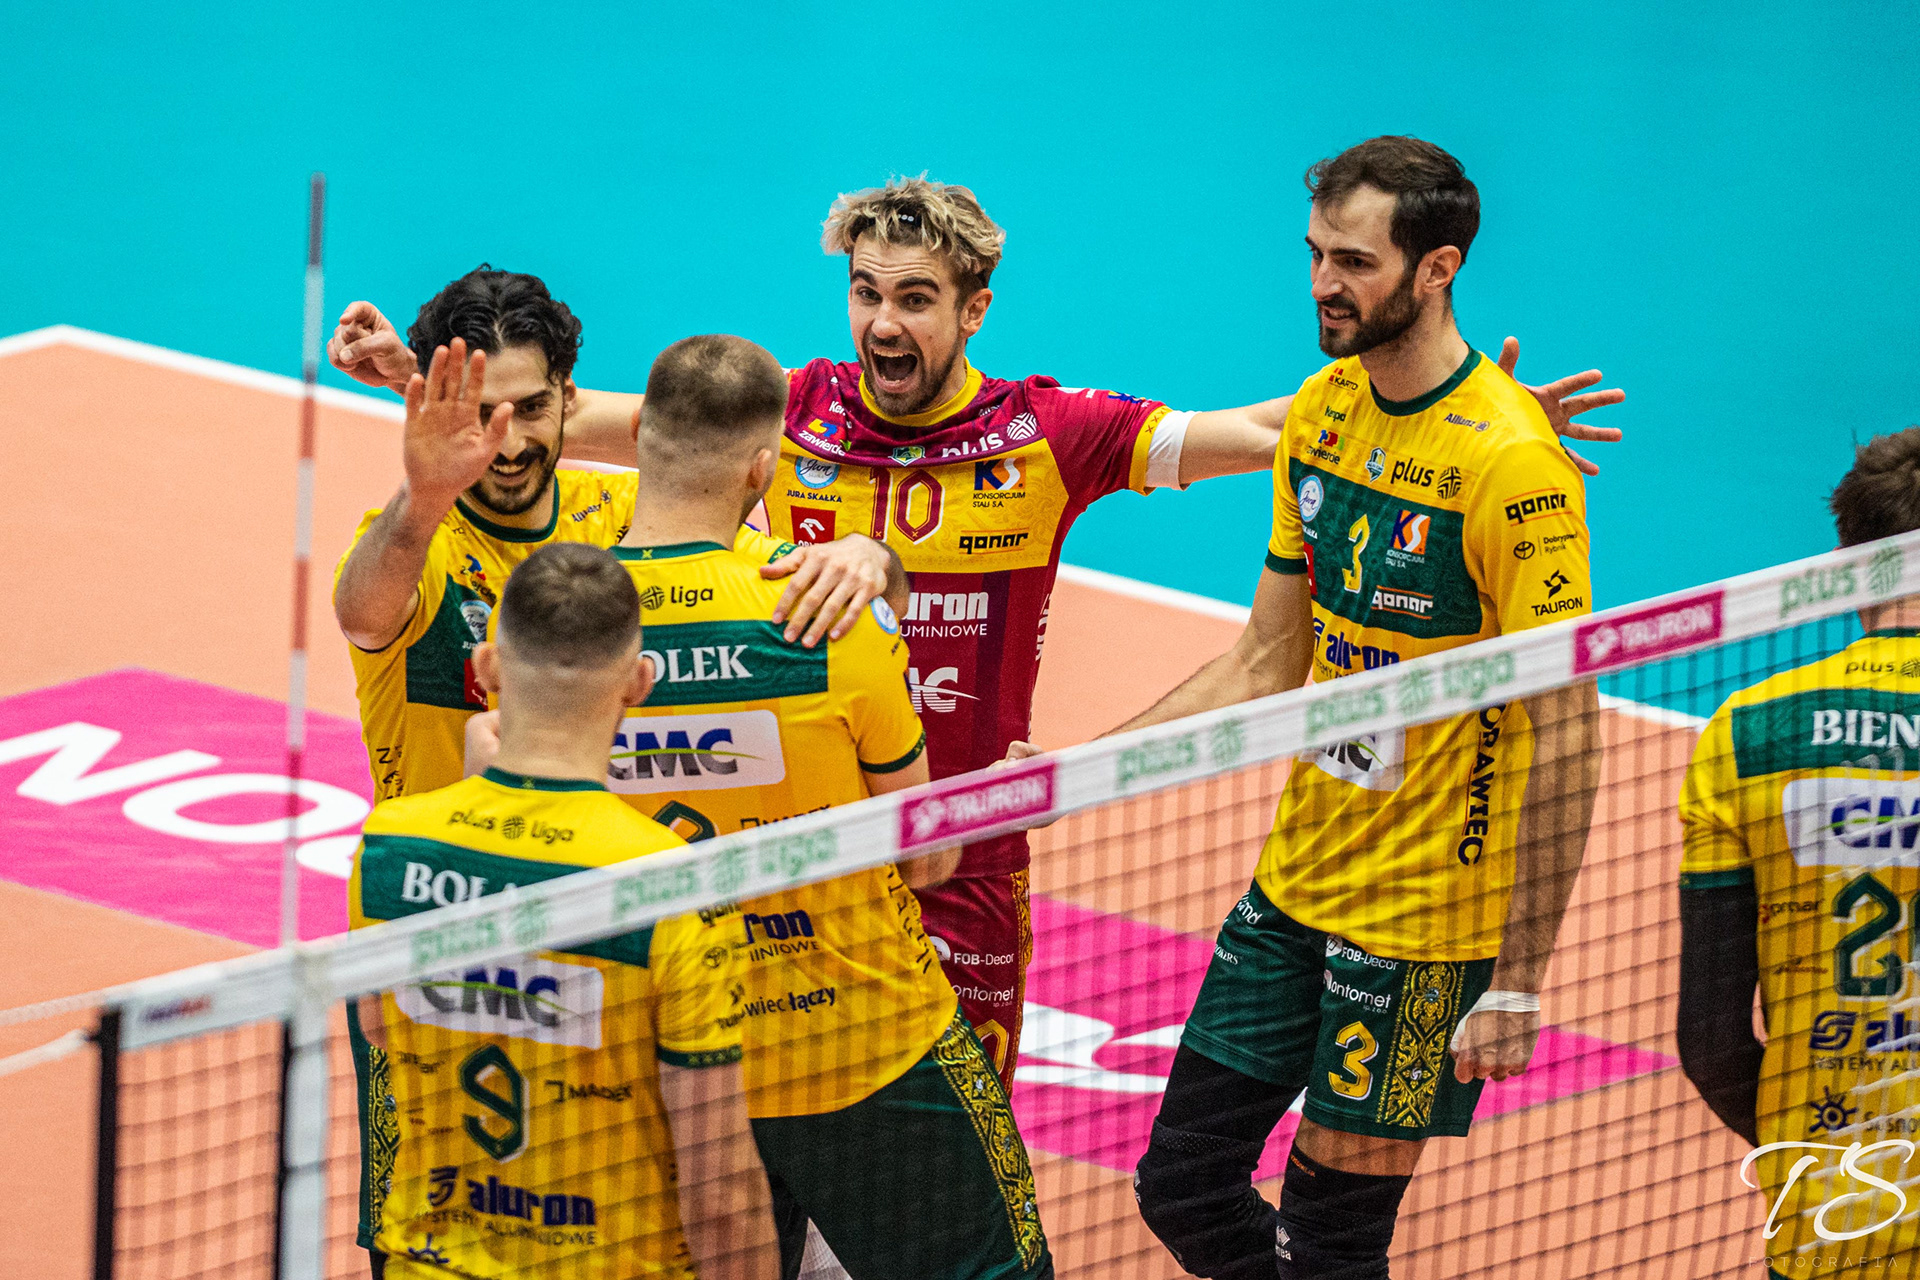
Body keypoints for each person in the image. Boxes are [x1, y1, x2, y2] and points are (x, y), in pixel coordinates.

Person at [331, 180, 1623, 1090]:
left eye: (915, 297)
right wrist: (411, 378)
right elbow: (568, 416)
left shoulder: (1051, 435)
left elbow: (1270, 426)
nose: (883, 323)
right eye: (865, 293)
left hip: (967, 853)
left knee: (948, 1162)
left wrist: (1465, 412)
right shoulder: (791, 412)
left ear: (975, 308)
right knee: (751, 1153)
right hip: (799, 863)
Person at [1057, 136, 1602, 1280]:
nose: (1322, 283)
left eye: (1354, 261)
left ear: (1437, 268)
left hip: (1425, 922)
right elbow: (1269, 657)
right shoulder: (1322, 411)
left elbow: (1565, 734)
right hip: (1295, 886)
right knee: (1183, 1184)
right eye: (1315, 254)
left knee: (1332, 1240)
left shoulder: (1513, 466)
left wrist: (1518, 978)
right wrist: (1077, 769)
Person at [468, 333, 1050, 1280]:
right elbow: (926, 858)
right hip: (864, 1047)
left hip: (663, 1057)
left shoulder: (556, 625)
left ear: (640, 439)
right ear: (763, 467)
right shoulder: (833, 614)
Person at [348, 540, 778, 1280]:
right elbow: (722, 1196)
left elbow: (379, 1027)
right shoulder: (672, 883)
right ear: (639, 682)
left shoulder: (391, 843)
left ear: (487, 668)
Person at [331, 267, 901, 804]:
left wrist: (871, 558)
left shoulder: (633, 511)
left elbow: (770, 551)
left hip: (610, 866)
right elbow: (361, 616)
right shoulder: (413, 541)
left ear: (568, 398)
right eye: (480, 414)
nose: (509, 444)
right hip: (446, 870)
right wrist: (426, 491)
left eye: (531, 407)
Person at [1678, 429, 1920, 1279]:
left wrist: (1804, 1144)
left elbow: (1710, 1042)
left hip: (1833, 1204)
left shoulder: (1748, 732)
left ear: (1849, 563)